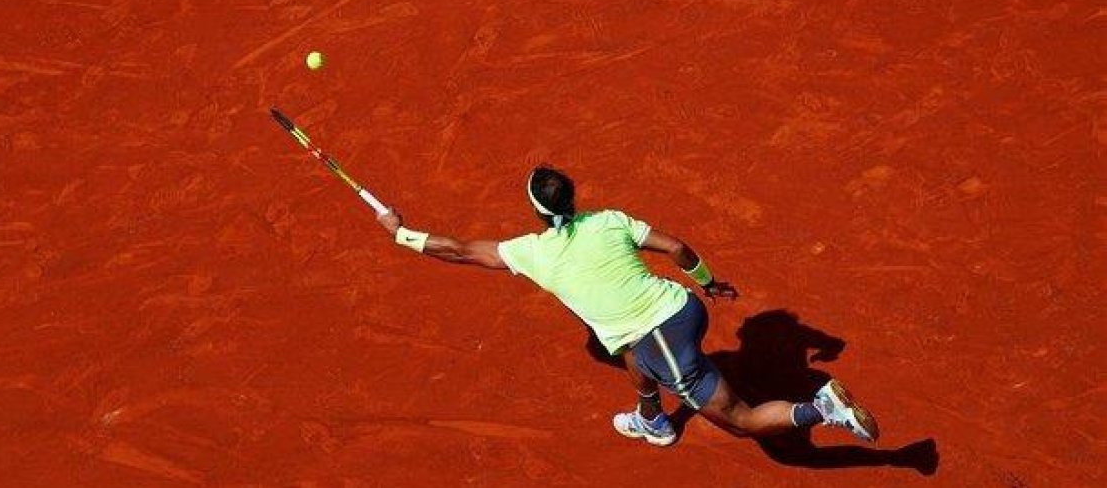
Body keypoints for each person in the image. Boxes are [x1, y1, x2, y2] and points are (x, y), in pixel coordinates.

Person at [375, 165, 879, 447]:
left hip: (662, 338)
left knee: (741, 420)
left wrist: (401, 233)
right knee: (622, 342)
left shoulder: (530, 252)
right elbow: (679, 247)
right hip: (683, 306)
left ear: (536, 210)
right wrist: (708, 282)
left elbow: (460, 250)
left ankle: (824, 409)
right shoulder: (608, 220)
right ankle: (653, 418)